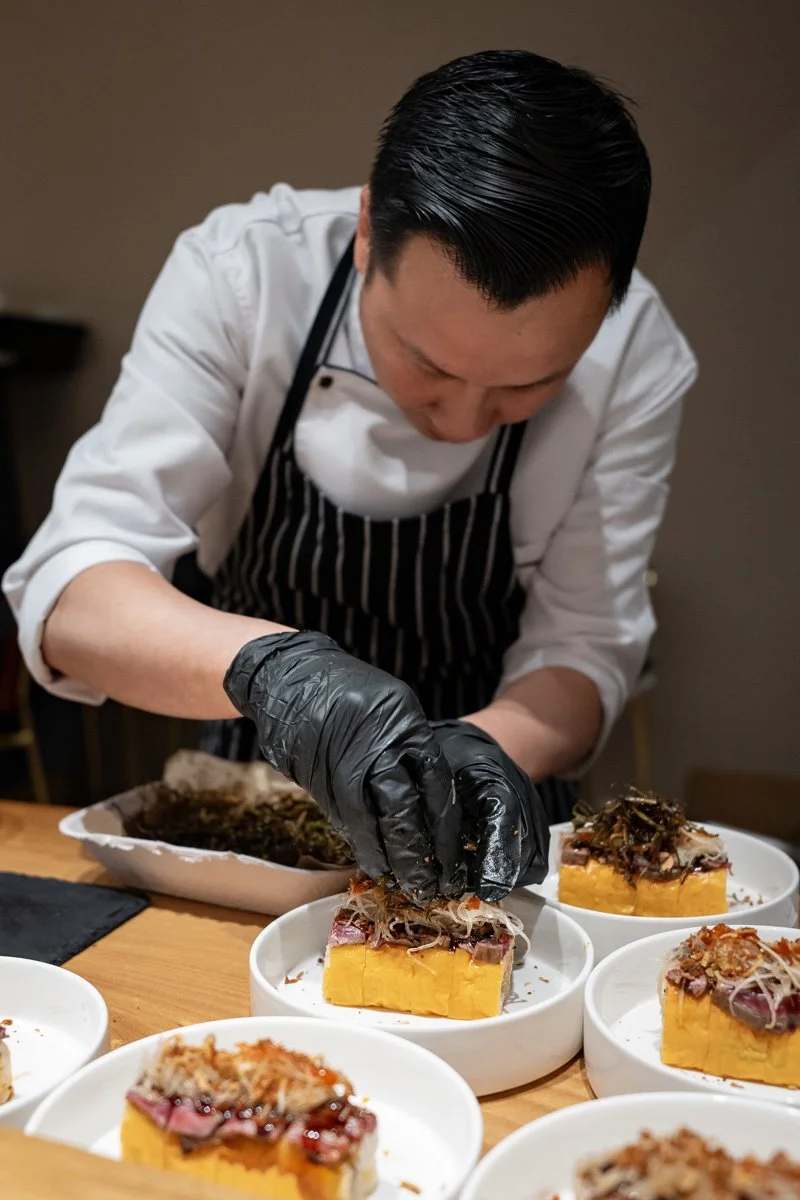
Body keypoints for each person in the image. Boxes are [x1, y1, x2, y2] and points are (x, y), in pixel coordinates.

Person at [3, 50, 697, 904]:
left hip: (481, 820)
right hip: (252, 814)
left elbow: (585, 647)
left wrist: (455, 765)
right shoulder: (244, 274)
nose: (463, 422)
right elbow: (72, 592)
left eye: (528, 386)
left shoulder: (635, 356)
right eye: (427, 363)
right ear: (369, 231)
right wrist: (274, 674)